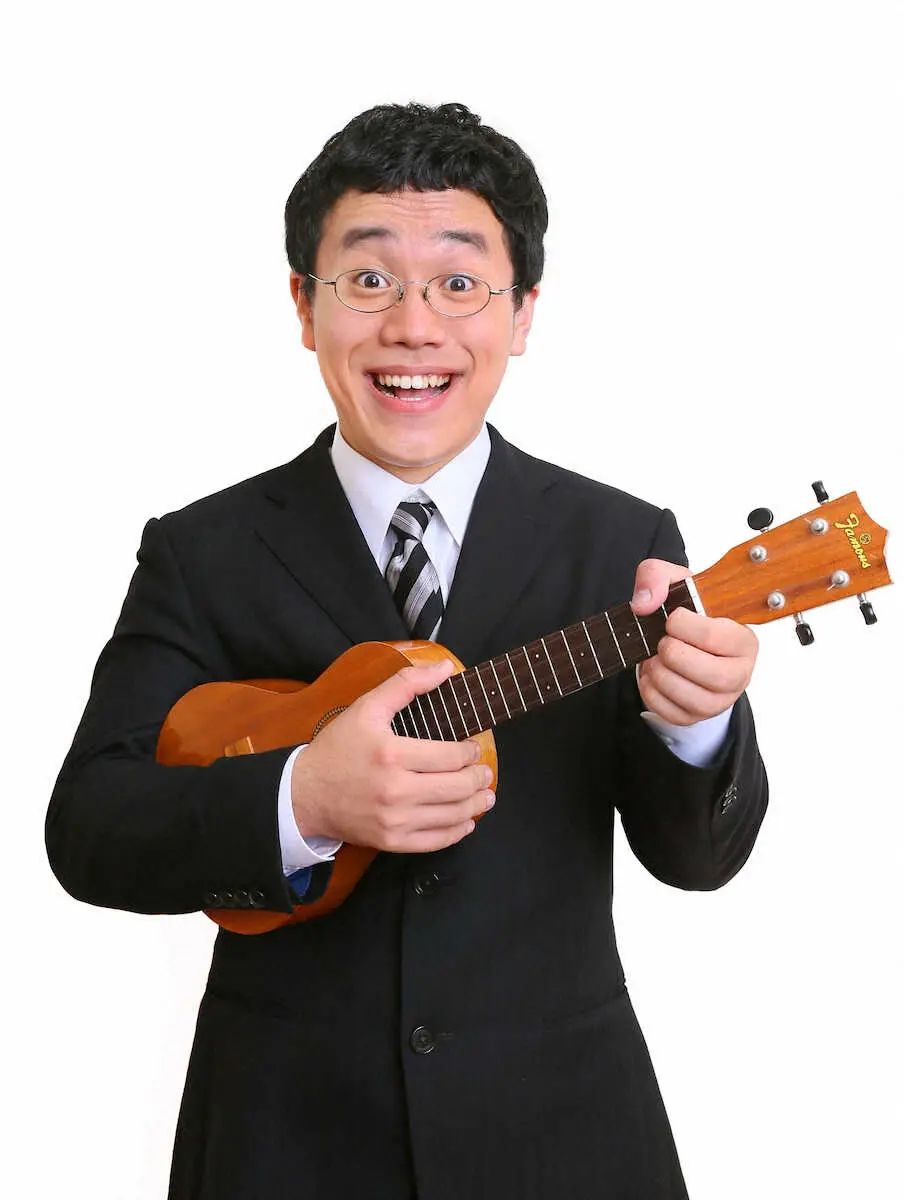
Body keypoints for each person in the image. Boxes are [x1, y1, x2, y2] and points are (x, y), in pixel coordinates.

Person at [46, 101, 767, 1199]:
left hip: (562, 1140)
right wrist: (303, 799)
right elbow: (90, 829)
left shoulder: (621, 545)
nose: (415, 327)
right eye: (370, 279)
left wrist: (697, 723)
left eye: (460, 282)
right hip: (280, 1144)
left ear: (522, 314)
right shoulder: (202, 551)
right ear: (305, 305)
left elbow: (696, 860)